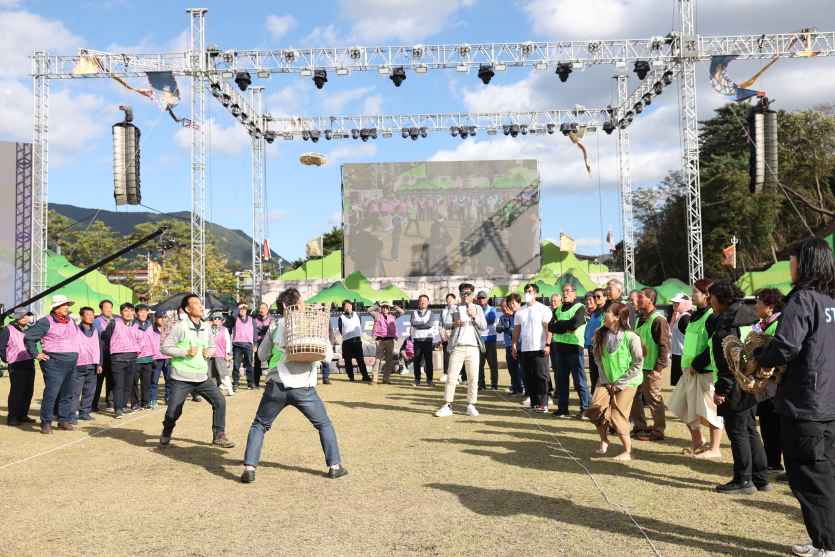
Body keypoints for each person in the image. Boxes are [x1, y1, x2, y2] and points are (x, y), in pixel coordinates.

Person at [744, 238, 835, 557]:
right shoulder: (830, 299)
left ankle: (827, 546)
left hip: (805, 403)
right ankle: (825, 541)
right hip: (828, 402)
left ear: (805, 262)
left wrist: (756, 358)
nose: (790, 265)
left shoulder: (803, 298)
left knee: (809, 478)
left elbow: (785, 347)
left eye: (792, 258)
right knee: (826, 475)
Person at [242, 288, 347, 482]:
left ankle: (249, 468)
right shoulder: (312, 324)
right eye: (303, 302)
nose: (306, 305)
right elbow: (327, 358)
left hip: (275, 385)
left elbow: (262, 355)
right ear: (297, 306)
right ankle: (334, 466)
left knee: (260, 425)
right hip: (304, 388)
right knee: (323, 424)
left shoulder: (275, 326)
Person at [705, 280, 771, 495]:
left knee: (738, 432)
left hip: (735, 386)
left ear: (724, 300)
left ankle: (743, 480)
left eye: (711, 297)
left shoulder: (726, 325)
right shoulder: (749, 316)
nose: (709, 301)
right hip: (752, 383)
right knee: (750, 429)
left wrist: (721, 391)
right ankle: (761, 478)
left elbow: (728, 363)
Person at [159, 294, 234, 448]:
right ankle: (167, 428)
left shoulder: (207, 327)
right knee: (173, 412)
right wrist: (185, 352)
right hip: (181, 377)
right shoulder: (180, 326)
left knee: (220, 401)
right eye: (196, 303)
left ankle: (219, 435)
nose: (200, 306)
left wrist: (209, 352)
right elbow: (165, 348)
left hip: (201, 376)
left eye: (200, 303)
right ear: (187, 309)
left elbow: (212, 346)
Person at [666, 278, 723, 458]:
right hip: (688, 370)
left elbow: (714, 345)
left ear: (707, 295)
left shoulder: (712, 316)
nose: (691, 295)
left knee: (711, 411)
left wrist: (697, 365)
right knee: (680, 405)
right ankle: (697, 440)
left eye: (695, 291)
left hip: (705, 371)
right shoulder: (694, 314)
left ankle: (715, 448)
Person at [585, 302, 646, 461]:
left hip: (628, 382)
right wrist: (606, 380)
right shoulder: (600, 334)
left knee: (616, 415)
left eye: (608, 312)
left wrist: (619, 384)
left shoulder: (631, 337)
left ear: (618, 317)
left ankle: (629, 452)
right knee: (595, 408)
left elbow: (638, 364)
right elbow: (597, 358)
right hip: (606, 379)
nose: (604, 315)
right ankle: (604, 440)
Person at [23, 295, 80, 434]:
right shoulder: (45, 321)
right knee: (51, 394)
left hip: (72, 362)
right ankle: (46, 423)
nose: (66, 307)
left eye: (67, 304)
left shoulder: (71, 320)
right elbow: (29, 338)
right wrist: (36, 354)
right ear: (55, 307)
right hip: (54, 362)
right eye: (63, 305)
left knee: (68, 394)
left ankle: (63, 421)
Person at [435, 283, 488, 417]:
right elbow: (446, 324)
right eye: (463, 293)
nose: (466, 295)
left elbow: (484, 326)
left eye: (468, 293)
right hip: (457, 347)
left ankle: (471, 405)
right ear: (459, 294)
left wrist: (474, 316)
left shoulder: (477, 308)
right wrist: (455, 324)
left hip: (473, 348)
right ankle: (447, 405)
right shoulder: (454, 308)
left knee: (473, 378)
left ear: (472, 295)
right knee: (452, 377)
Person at [752, 288, 785, 476]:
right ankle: (772, 462)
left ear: (771, 307)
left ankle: (776, 462)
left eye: (759, 302)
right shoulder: (763, 325)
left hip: (776, 383)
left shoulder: (779, 325)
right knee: (767, 423)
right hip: (767, 384)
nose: (755, 306)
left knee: (775, 425)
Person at [631, 288, 671, 442]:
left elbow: (664, 347)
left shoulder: (658, 320)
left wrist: (658, 369)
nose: (637, 300)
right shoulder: (640, 318)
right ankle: (640, 426)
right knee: (634, 396)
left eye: (640, 297)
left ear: (651, 300)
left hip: (650, 368)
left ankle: (659, 431)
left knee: (654, 399)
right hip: (637, 366)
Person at [549, 284, 590, 419]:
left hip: (574, 349)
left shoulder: (580, 307)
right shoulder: (559, 308)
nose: (565, 293)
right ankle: (562, 408)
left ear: (574, 293)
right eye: (563, 291)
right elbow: (551, 327)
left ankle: (585, 409)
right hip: (560, 349)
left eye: (568, 291)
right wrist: (565, 327)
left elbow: (574, 324)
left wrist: (559, 324)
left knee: (579, 382)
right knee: (561, 382)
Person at [512, 284, 553, 413]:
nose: (527, 294)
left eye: (529, 291)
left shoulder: (543, 309)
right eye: (525, 291)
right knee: (528, 377)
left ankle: (543, 404)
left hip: (540, 348)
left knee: (542, 376)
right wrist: (514, 346)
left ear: (535, 293)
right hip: (525, 348)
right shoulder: (520, 311)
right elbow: (516, 330)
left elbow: (549, 328)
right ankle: (534, 402)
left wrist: (547, 344)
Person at [101, 302, 140, 419]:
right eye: (126, 311)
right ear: (121, 312)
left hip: (132, 357)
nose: (128, 313)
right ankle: (117, 409)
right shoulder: (114, 323)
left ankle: (123, 406)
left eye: (131, 311)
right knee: (119, 385)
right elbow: (107, 339)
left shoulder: (135, 325)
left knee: (128, 384)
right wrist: (114, 352)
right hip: (118, 358)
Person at [0, 308, 36, 425]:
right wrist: (7, 360)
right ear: (16, 317)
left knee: (28, 391)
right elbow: (1, 347)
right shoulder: (8, 329)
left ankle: (22, 415)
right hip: (16, 365)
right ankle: (12, 417)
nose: (26, 318)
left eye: (27, 315)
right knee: (17, 392)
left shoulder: (28, 329)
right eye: (23, 315)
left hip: (29, 363)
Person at [70, 307, 102, 423]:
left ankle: (84, 413)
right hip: (79, 365)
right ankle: (71, 415)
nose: (91, 317)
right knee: (75, 392)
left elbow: (99, 348)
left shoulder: (95, 331)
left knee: (89, 391)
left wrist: (100, 363)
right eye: (88, 315)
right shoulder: (76, 330)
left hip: (93, 365)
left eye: (92, 315)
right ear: (81, 316)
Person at [368, 301, 404, 385]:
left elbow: (402, 312)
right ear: (381, 308)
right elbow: (369, 310)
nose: (384, 309)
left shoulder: (393, 315)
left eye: (386, 307)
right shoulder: (377, 315)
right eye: (383, 307)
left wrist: (393, 306)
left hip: (390, 341)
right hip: (379, 341)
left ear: (389, 308)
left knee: (389, 361)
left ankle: (386, 379)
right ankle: (374, 379)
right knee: (377, 361)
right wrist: (379, 305)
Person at [226, 302, 258, 391]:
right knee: (236, 365)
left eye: (244, 309)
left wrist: (255, 344)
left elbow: (255, 331)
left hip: (248, 345)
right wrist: (239, 307)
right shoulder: (235, 318)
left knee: (249, 365)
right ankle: (235, 383)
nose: (242, 311)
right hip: (237, 345)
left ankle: (251, 383)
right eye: (240, 309)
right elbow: (233, 315)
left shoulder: (251, 319)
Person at [496, 295, 524, 395]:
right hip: (509, 345)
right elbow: (498, 329)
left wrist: (509, 328)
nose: (505, 308)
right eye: (503, 306)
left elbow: (515, 330)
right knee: (512, 367)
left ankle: (523, 387)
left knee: (521, 368)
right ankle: (516, 387)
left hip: (521, 345)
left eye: (506, 306)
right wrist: (506, 326)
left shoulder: (520, 314)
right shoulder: (504, 317)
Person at [130, 304, 155, 411]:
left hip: (148, 358)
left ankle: (145, 403)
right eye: (141, 312)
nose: (144, 314)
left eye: (145, 312)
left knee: (146, 383)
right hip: (136, 359)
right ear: (136, 314)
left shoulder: (149, 325)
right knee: (134, 383)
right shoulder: (132, 325)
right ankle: (135, 403)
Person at [337, 300, 370, 382]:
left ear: (351, 306)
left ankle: (365, 376)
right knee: (348, 360)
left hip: (357, 341)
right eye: (345, 306)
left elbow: (359, 324)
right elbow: (341, 329)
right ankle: (351, 376)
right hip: (347, 342)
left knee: (360, 359)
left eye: (349, 305)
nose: (347, 307)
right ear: (344, 308)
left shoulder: (357, 315)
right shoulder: (341, 317)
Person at [91, 299, 114, 412]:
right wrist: (111, 331)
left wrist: (107, 330)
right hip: (102, 355)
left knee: (111, 380)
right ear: (101, 309)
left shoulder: (115, 320)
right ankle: (93, 404)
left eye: (110, 308)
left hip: (113, 354)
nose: (109, 310)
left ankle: (110, 403)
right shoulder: (97, 321)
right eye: (106, 308)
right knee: (98, 381)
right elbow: (102, 334)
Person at [475, 291, 499, 390]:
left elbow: (491, 319)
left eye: (483, 298)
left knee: (493, 363)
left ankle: (494, 383)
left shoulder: (492, 309)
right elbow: (484, 320)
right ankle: (481, 383)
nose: (481, 300)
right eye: (479, 298)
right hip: (479, 340)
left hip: (490, 339)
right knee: (479, 364)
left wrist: (477, 319)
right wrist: (481, 319)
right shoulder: (475, 309)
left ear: (487, 298)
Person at [410, 294, 436, 387]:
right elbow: (413, 323)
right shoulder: (414, 313)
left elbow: (429, 325)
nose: (423, 302)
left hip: (427, 340)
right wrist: (423, 322)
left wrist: (418, 325)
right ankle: (417, 379)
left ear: (428, 303)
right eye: (421, 301)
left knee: (428, 361)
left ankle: (430, 379)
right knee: (417, 360)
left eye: (425, 301)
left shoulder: (431, 314)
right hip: (417, 339)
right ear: (419, 302)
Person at [668, 293, 693, 387]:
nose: (674, 304)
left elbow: (691, 338)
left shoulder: (685, 318)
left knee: (683, 386)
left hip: (682, 356)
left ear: (685, 303)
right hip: (678, 355)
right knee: (680, 386)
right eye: (673, 302)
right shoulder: (680, 316)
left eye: (677, 302)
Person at [208, 312, 234, 396]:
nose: (217, 320)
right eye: (215, 318)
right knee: (211, 374)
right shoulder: (208, 329)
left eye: (219, 318)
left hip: (220, 354)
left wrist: (227, 353)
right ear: (212, 320)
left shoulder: (224, 329)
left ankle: (229, 388)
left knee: (223, 373)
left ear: (221, 320)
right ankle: (214, 390)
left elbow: (228, 342)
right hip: (210, 354)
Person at [150, 309, 172, 407]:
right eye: (159, 317)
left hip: (168, 357)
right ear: (155, 318)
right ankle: (153, 398)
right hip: (156, 358)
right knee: (154, 380)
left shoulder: (170, 330)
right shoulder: (150, 330)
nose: (162, 320)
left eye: (164, 317)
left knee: (169, 379)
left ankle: (168, 397)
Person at [586, 289, 606, 386]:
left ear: (605, 297)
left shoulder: (607, 311)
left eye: (598, 296)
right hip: (591, 346)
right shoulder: (593, 313)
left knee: (602, 375)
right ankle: (594, 393)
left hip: (602, 347)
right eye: (594, 297)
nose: (596, 299)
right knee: (593, 375)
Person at [253, 303, 273, 389]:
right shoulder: (255, 319)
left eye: (264, 308)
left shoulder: (272, 318)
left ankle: (271, 382)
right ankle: (256, 383)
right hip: (258, 343)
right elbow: (254, 330)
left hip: (269, 343)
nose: (262, 310)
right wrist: (265, 328)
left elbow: (271, 329)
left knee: (270, 363)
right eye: (261, 308)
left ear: (267, 309)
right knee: (257, 364)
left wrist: (259, 328)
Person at [439, 293, 456, 382]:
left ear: (455, 300)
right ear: (446, 300)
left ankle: (459, 374)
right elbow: (440, 324)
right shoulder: (443, 311)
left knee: (457, 355)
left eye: (451, 299)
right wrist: (441, 334)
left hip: (455, 336)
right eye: (448, 299)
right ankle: (446, 373)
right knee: (446, 355)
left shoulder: (457, 310)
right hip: (445, 336)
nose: (449, 300)